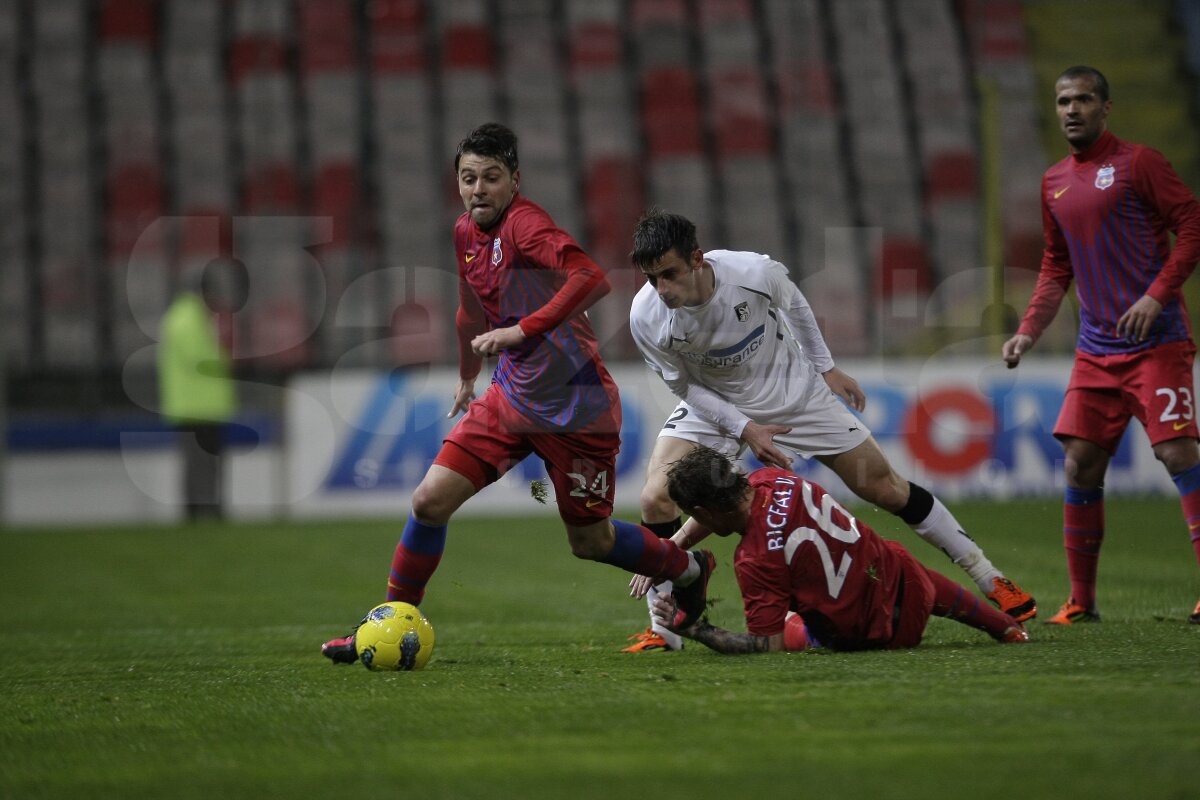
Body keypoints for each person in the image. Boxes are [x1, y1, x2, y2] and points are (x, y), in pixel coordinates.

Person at [321, 123, 714, 662]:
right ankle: (389, 622)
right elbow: (469, 309)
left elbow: (591, 278)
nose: (478, 189)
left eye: (491, 177)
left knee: (591, 542)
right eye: (468, 178)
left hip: (577, 409)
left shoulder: (526, 227)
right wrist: (467, 375)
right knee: (429, 502)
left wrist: (521, 330)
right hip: (509, 398)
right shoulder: (465, 233)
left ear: (514, 182)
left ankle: (690, 568)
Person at [621, 209, 1035, 652]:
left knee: (885, 488)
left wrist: (826, 367)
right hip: (715, 406)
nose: (662, 289)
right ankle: (665, 630)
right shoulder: (646, 315)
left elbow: (795, 306)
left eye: (669, 274)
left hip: (795, 395)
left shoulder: (753, 272)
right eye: (652, 279)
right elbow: (683, 386)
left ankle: (991, 578)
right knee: (654, 497)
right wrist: (745, 428)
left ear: (697, 259)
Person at [1002, 66, 1200, 625]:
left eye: (1084, 99)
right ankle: (1081, 601)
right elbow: (1055, 264)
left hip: (1156, 341)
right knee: (1080, 464)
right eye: (1063, 100)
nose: (1072, 109)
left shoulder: (1140, 163)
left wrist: (1156, 296)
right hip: (1096, 350)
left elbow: (1192, 223)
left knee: (1177, 453)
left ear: (1105, 107)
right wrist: (1028, 330)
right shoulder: (1054, 182)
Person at [644, 446, 1029, 653]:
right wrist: (673, 545)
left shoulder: (755, 559)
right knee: (891, 559)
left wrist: (695, 628)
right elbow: (728, 508)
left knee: (791, 621)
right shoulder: (775, 478)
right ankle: (1005, 627)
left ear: (701, 511)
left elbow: (767, 645)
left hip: (876, 636)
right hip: (913, 588)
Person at [157, 262, 238, 521]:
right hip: (198, 406)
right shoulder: (187, 319)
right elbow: (199, 360)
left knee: (201, 463)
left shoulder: (184, 317)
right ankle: (204, 512)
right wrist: (226, 360)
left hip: (197, 405)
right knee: (203, 463)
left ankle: (199, 512)